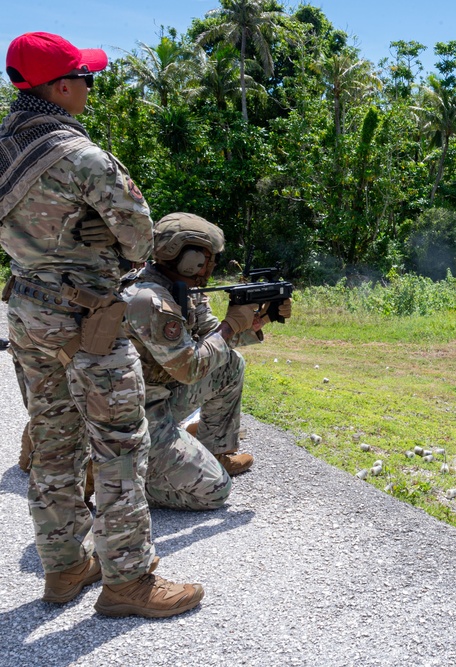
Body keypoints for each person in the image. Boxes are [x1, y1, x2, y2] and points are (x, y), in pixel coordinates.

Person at [1, 32, 202, 617]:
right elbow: (142, 237)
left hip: (27, 309)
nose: (89, 86)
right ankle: (128, 582)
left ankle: (64, 567)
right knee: (117, 445)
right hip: (87, 317)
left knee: (53, 441)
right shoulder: (82, 157)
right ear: (60, 87)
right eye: (84, 78)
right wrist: (107, 241)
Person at [120, 212, 290, 510]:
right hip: (133, 413)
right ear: (186, 257)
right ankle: (130, 483)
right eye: (205, 258)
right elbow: (190, 367)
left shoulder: (185, 290)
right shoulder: (149, 299)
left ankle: (215, 450)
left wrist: (256, 321)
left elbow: (214, 342)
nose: (210, 266)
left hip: (162, 395)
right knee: (215, 491)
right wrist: (229, 326)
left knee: (230, 364)